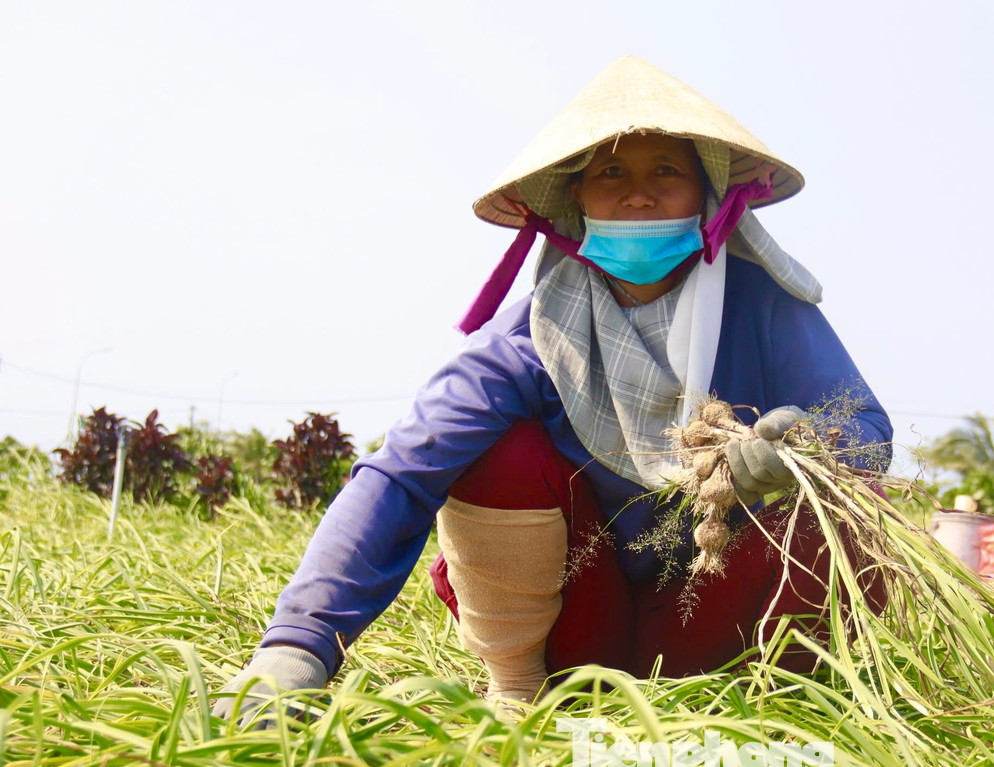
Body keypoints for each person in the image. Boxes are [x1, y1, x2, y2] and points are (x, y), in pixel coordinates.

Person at [213, 56, 892, 717]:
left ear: (709, 195)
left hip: (720, 623)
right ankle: (517, 694)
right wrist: (297, 647)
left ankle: (778, 703)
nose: (638, 192)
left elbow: (865, 432)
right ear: (577, 202)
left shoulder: (763, 307)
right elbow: (401, 474)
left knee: (848, 500)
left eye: (666, 171)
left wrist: (802, 447)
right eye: (610, 173)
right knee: (497, 453)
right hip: (574, 636)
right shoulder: (534, 342)